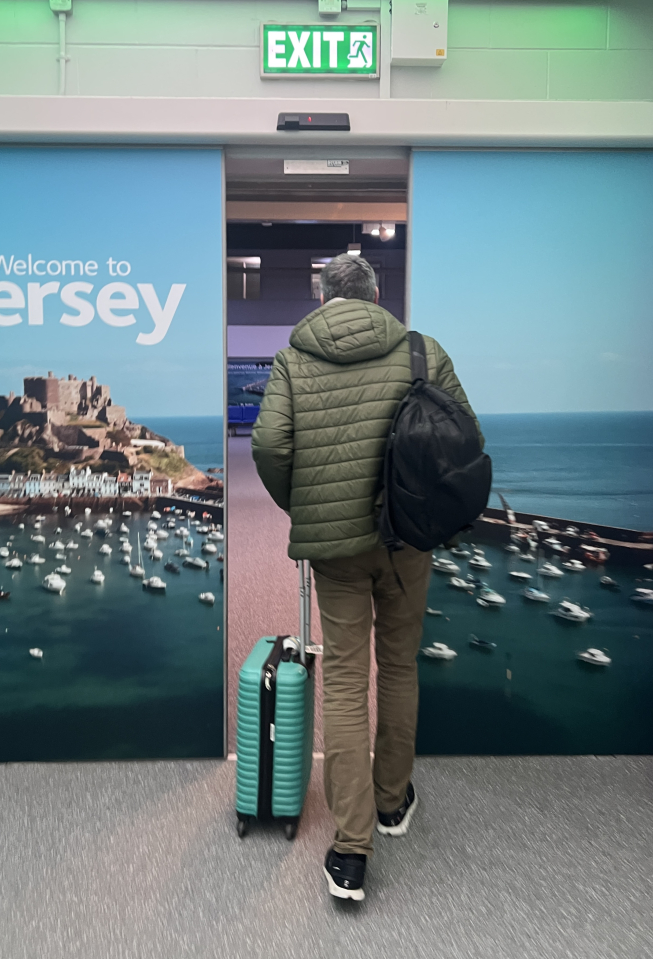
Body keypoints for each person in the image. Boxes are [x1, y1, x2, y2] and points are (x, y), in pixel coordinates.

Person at [251, 253, 482, 901]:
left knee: (347, 683)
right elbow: (464, 438)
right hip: (408, 538)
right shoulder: (422, 351)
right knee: (400, 666)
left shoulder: (293, 358)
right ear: (377, 296)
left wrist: (303, 506)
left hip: (335, 548)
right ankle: (391, 801)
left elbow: (269, 446)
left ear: (323, 297)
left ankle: (351, 850)